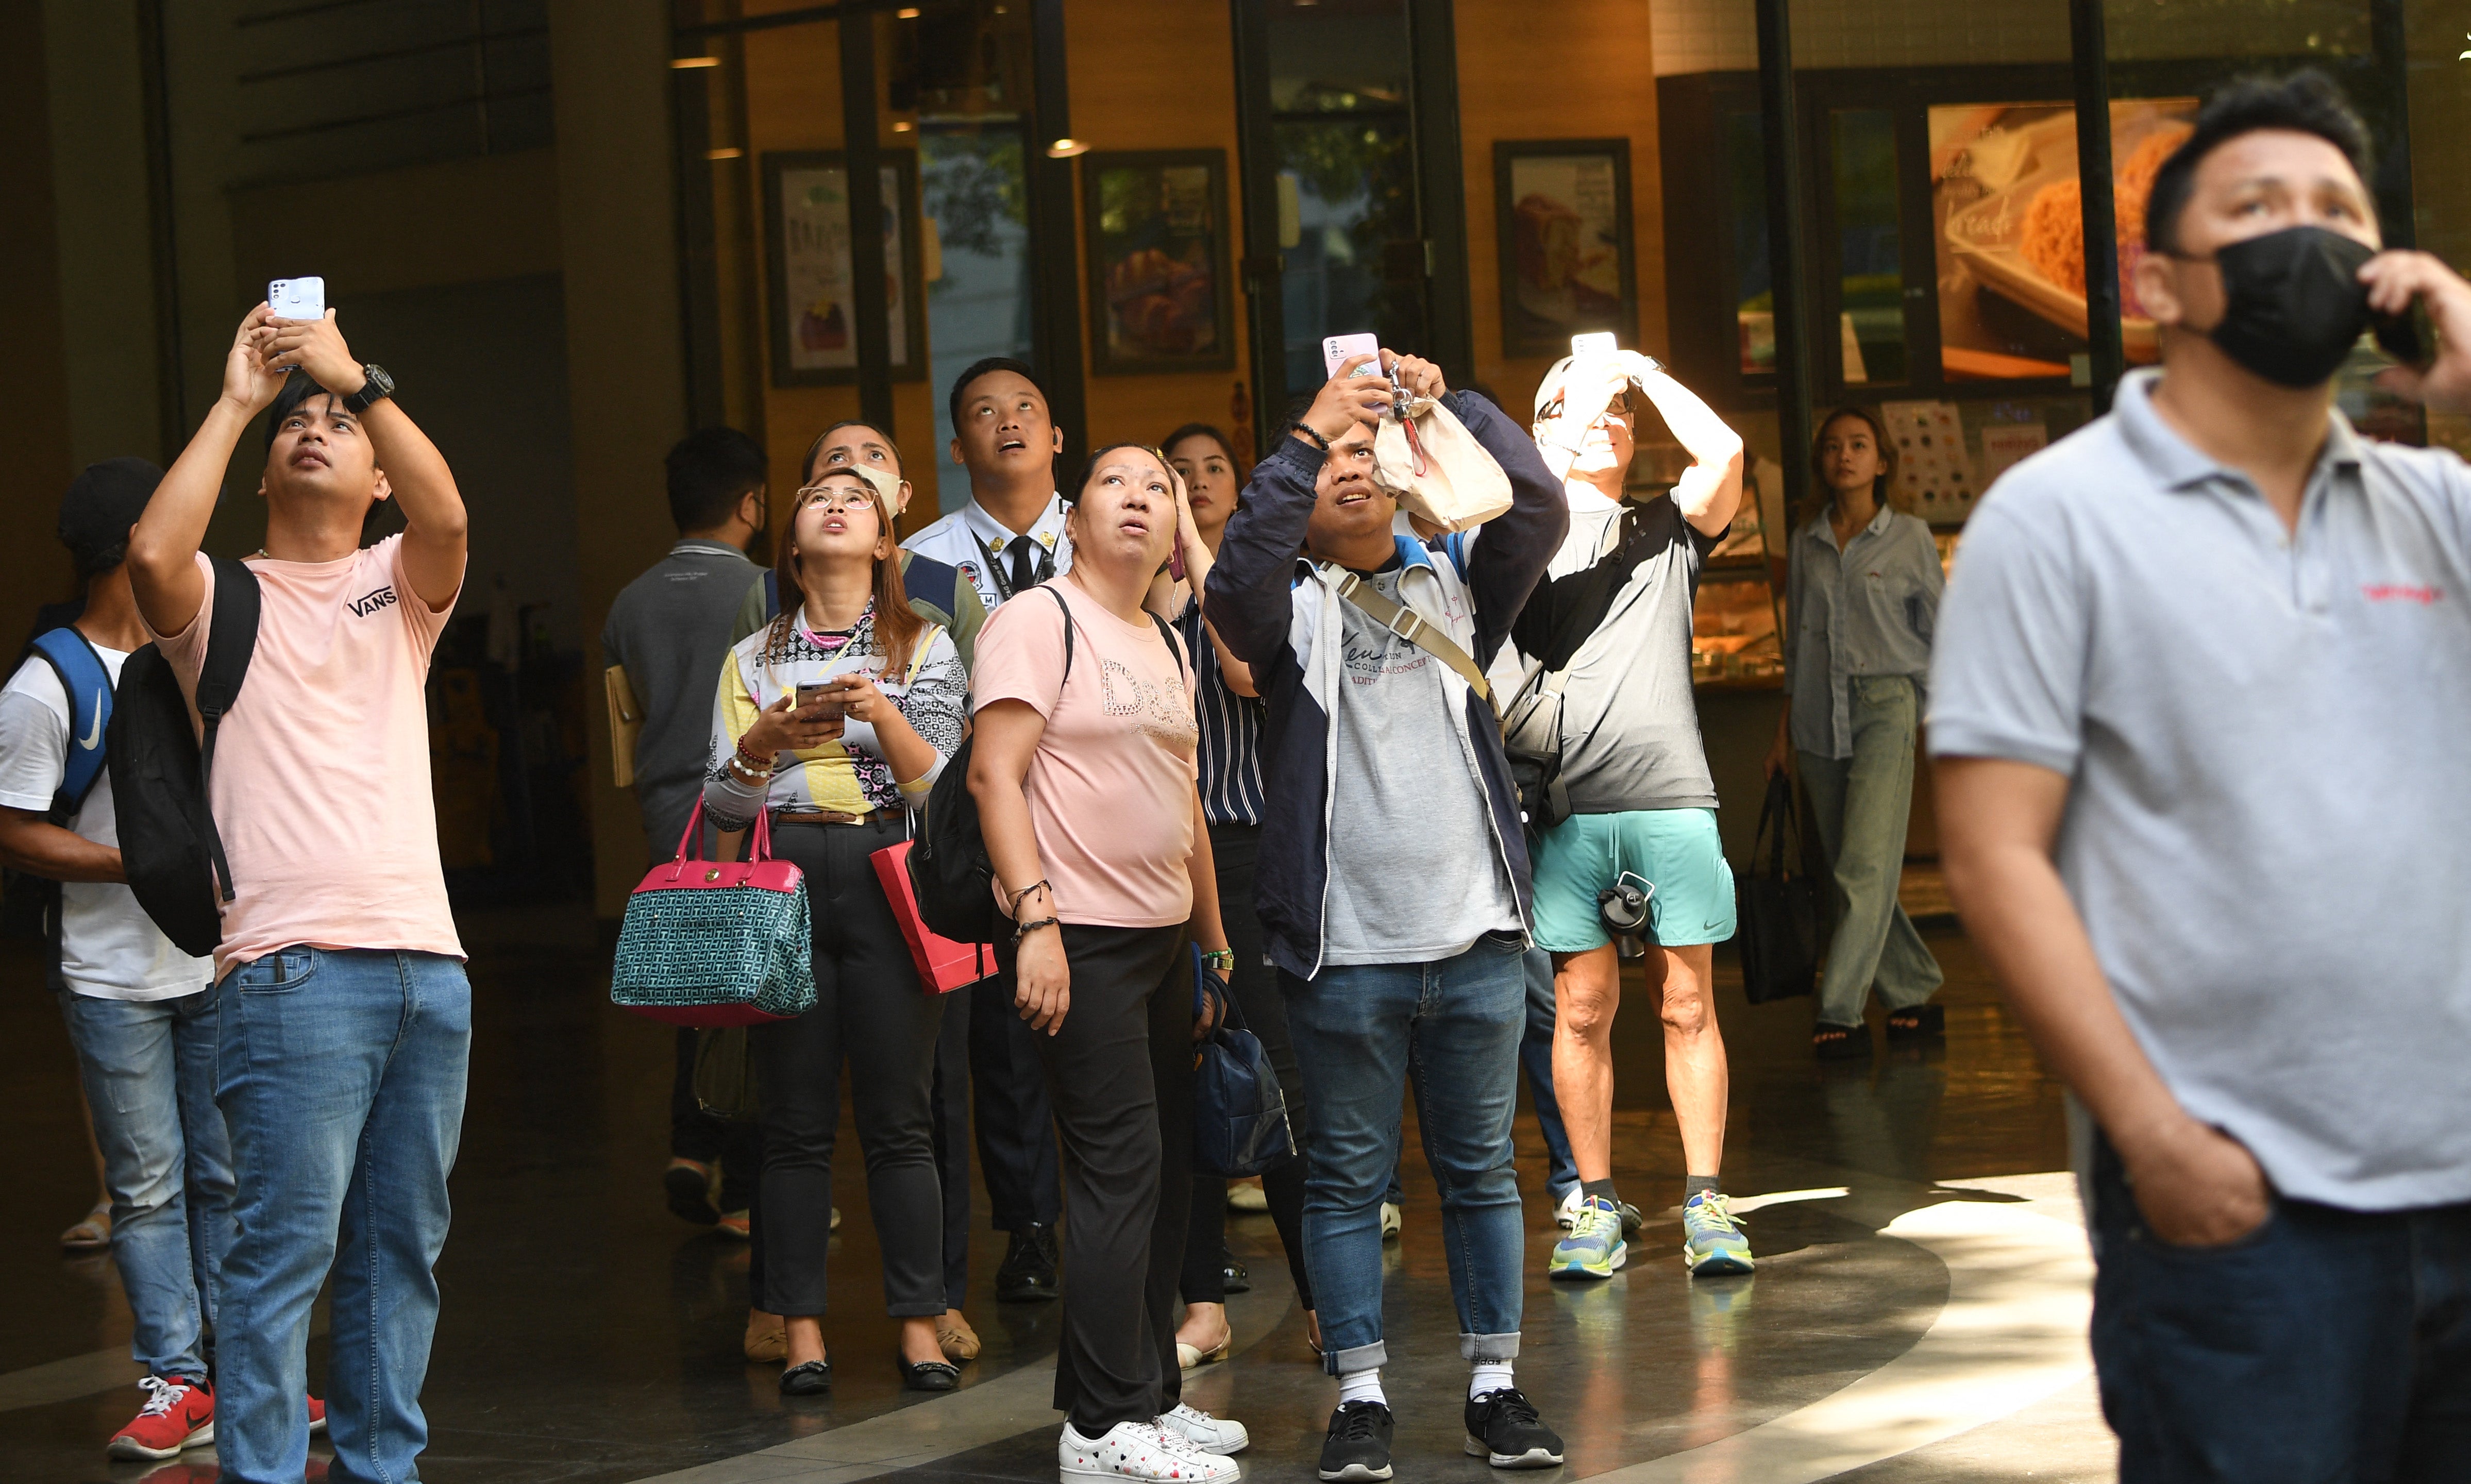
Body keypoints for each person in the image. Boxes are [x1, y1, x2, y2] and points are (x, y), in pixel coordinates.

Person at [1931, 72, 2471, 1481]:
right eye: (2255, 210)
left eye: (2338, 214)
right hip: (2239, 1218)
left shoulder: (2442, 507)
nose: (2305, 238)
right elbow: (1994, 853)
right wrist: (2153, 1140)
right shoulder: (2054, 519)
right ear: (2153, 281)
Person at [1207, 350, 1570, 1480]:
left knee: (1480, 1176)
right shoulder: (1285, 614)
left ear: (1405, 474)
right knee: (1348, 1183)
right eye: (1332, 465)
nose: (1351, 472)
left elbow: (1540, 504)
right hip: (1346, 954)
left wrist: (1444, 400)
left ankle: (1496, 1388)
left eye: (1369, 455)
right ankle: (1359, 1395)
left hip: (1474, 941)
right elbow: (1233, 580)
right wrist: (1309, 435)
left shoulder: (1462, 582)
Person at [126, 304, 469, 1484]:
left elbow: (451, 514)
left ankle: (386, 1467)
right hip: (291, 968)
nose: (315, 427)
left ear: (376, 477)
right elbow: (152, 559)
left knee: (400, 1252)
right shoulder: (227, 596)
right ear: (267, 467)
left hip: (430, 965)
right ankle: (266, 1471)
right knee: (281, 1252)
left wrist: (354, 375)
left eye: (340, 424)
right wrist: (237, 399)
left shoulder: (402, 581)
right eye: (298, 421)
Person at [968, 443, 1248, 1482]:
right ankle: (1098, 1427)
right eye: (1113, 484)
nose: (1138, 497)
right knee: (1117, 1176)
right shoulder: (1039, 621)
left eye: (1157, 487)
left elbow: (1190, 812)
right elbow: (996, 776)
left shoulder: (1167, 642)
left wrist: (1211, 945)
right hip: (1073, 938)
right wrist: (1034, 923)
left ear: (1177, 526)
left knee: (1167, 1180)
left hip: (1163, 944)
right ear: (1073, 521)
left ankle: (1149, 1399)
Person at [1, 460, 259, 1462]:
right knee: (148, 1188)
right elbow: (14, 829)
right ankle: (175, 1381)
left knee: (227, 1180)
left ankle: (246, 1374)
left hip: (211, 966)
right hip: (113, 979)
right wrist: (139, 866)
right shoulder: (46, 685)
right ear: (128, 556)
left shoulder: (198, 653)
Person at [703, 464, 968, 1395]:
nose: (837, 504)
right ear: (793, 543)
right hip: (785, 882)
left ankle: (922, 1327)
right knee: (793, 1123)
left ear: (884, 543)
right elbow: (722, 802)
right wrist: (761, 746)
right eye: (820, 496)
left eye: (858, 499)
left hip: (892, 870)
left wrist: (880, 712)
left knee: (904, 1120)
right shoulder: (751, 659)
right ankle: (802, 1330)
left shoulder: (925, 644)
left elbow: (942, 786)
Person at [1509, 349, 1751, 1282]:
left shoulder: (1669, 524)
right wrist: (1560, 431)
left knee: (1688, 1003)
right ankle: (1596, 1203)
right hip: (1565, 806)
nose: (1606, 420)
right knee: (1581, 1010)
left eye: (1621, 414)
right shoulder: (1510, 540)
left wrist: (1642, 372)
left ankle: (1707, 1199)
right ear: (1542, 430)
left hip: (1671, 793)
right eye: (1577, 408)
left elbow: (1725, 450)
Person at [905, 358, 1072, 1304]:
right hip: (982, 817)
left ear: (1056, 439)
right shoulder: (920, 562)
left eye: (1026, 408)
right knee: (1006, 1045)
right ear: (959, 446)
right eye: (982, 413)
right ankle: (1030, 1227)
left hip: (1094, 807)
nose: (1006, 423)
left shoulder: (1106, 534)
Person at [1156, 423, 1317, 1365]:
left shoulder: (1268, 589)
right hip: (1155, 865)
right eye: (1172, 474)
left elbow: (1245, 667)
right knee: (1180, 1087)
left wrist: (1194, 542)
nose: (1191, 485)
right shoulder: (1134, 598)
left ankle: (1319, 1302)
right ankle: (1202, 1305)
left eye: (1212, 470)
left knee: (1279, 1080)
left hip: (1249, 852)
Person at [603, 427, 770, 1242]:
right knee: (751, 999)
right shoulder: (770, 594)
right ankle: (742, 1193)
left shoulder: (629, 603)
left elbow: (622, 726)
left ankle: (688, 1149)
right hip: (743, 813)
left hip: (666, 820)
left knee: (696, 992)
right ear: (751, 505)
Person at [1767, 407, 1945, 1059]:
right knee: (1851, 869)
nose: (1845, 456)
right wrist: (1783, 735)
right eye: (1835, 447)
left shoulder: (1911, 537)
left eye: (1859, 446)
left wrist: (1924, 707)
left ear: (1883, 461)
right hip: (1817, 714)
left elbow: (1944, 630)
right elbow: (1795, 648)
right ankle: (1913, 988)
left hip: (1884, 708)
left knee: (1864, 865)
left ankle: (1839, 1010)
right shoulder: (1808, 540)